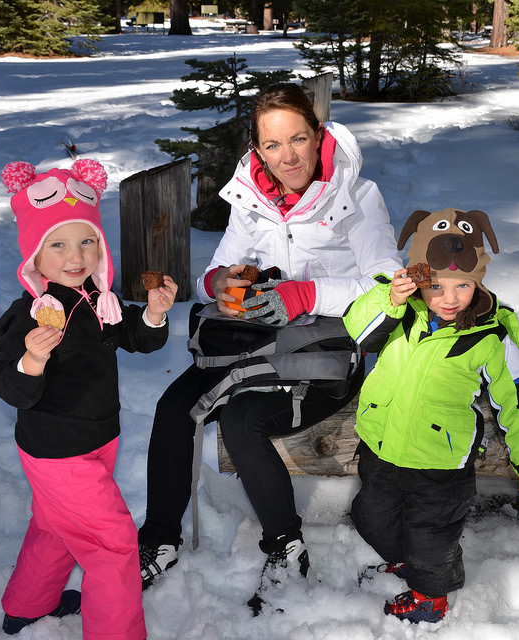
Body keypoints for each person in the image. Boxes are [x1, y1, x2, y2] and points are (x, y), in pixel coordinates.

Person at [137, 82, 402, 612]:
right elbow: (215, 270)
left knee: (242, 422)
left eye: (297, 139)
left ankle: (286, 546)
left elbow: (388, 285)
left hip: (324, 356)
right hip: (254, 348)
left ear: (317, 134)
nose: (287, 156)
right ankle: (159, 540)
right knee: (172, 408)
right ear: (257, 150)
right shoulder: (250, 197)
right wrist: (222, 284)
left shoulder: (357, 195)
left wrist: (309, 292)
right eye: (273, 145)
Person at [0, 159, 177, 639]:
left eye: (87, 241)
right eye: (57, 244)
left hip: (99, 437)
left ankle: (27, 605)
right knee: (112, 543)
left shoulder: (99, 300)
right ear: (34, 255)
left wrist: (154, 315)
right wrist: (31, 361)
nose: (76, 256)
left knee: (55, 526)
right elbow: (10, 389)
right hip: (57, 448)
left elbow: (135, 338)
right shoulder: (30, 316)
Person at [343, 207, 519, 623]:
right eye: (436, 285)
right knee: (371, 518)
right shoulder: (398, 311)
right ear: (419, 278)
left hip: (440, 460)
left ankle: (430, 597)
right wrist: (390, 297)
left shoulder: (491, 333)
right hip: (381, 446)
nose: (449, 298)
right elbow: (357, 330)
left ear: (479, 282)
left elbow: (517, 397)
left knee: (430, 537)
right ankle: (411, 565)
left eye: (463, 285)